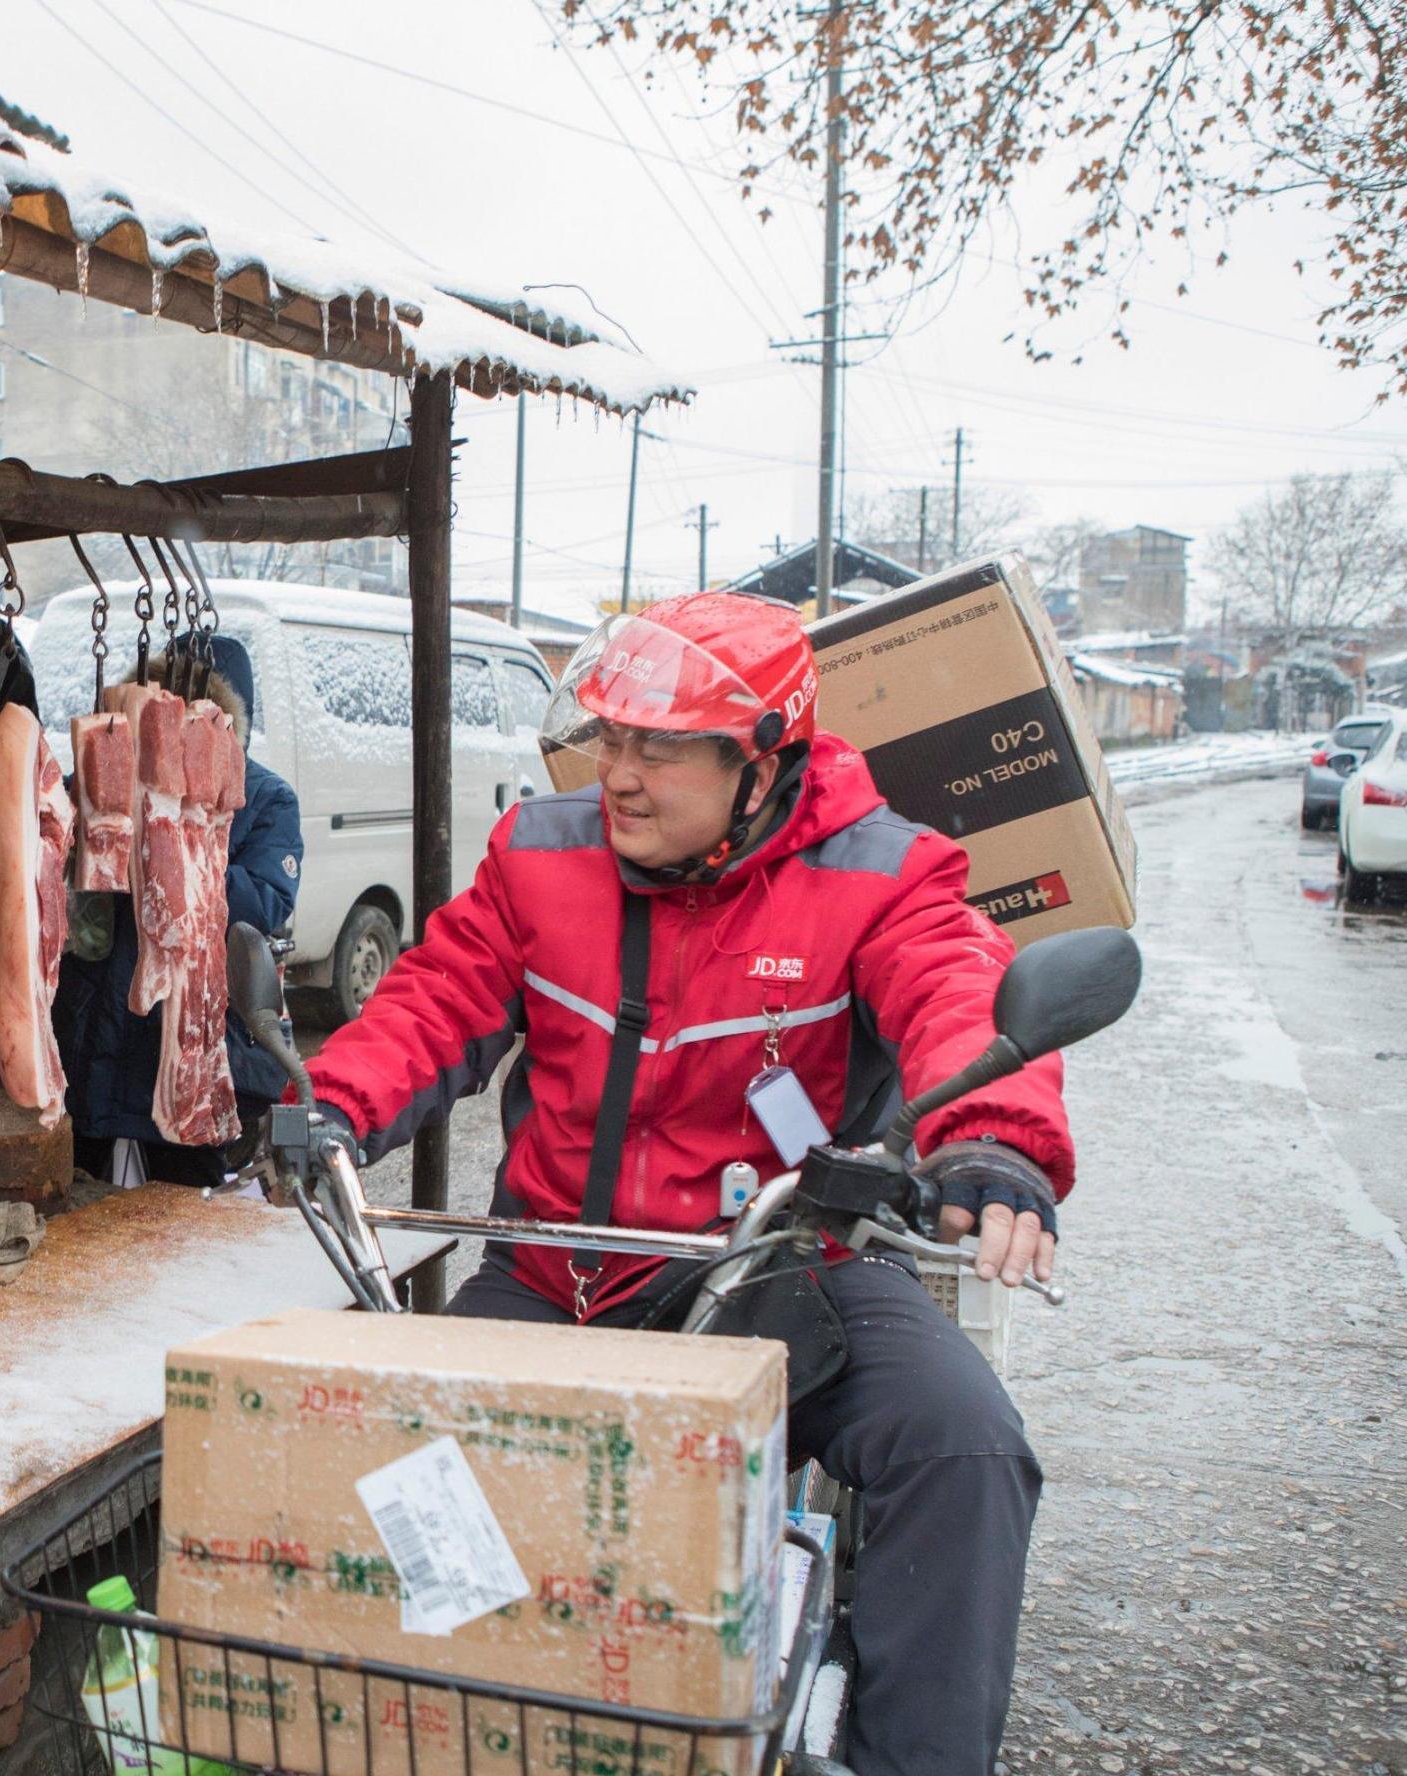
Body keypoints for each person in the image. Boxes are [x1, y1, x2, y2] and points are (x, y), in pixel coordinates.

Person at [300, 591, 1070, 1776]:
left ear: (761, 760)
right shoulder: (538, 854)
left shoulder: (881, 872)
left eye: (658, 746)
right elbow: (433, 1000)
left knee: (962, 1443)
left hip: (778, 1276)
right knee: (410, 1480)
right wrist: (332, 1106)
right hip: (557, 1271)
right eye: (610, 738)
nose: (618, 773)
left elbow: (955, 994)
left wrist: (992, 1141)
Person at [55, 635, 303, 1189]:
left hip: (188, 1052)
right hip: (97, 1041)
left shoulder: (262, 797)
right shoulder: (105, 773)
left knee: (188, 1224)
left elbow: (265, 902)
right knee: (80, 1219)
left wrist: (172, 840)